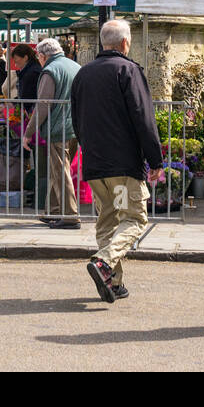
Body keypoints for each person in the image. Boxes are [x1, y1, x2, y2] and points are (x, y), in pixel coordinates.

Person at [71, 18, 163, 304]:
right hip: (122, 165)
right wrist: (155, 158)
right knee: (134, 218)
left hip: (95, 164)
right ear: (125, 43)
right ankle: (104, 262)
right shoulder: (128, 70)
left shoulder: (83, 74)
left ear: (102, 43)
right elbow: (143, 117)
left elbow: (77, 120)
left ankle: (113, 281)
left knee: (108, 221)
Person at [23, 38, 82, 228]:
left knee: (60, 171)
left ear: (42, 56)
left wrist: (28, 132)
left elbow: (43, 105)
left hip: (58, 128)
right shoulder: (75, 66)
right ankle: (53, 210)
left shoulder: (50, 70)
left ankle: (70, 215)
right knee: (57, 170)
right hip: (75, 126)